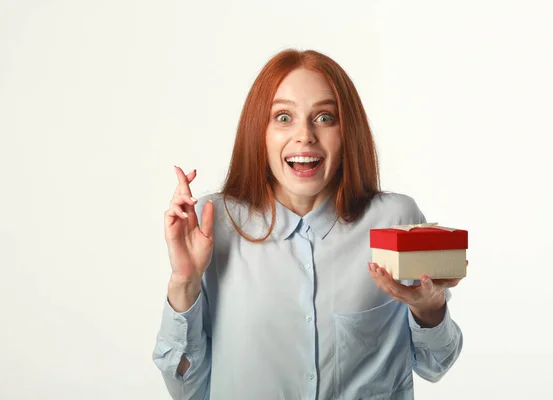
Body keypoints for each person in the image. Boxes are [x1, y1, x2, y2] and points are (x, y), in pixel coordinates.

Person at [152, 49, 466, 400]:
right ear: (260, 132)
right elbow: (185, 389)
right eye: (283, 117)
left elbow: (436, 363)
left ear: (348, 132)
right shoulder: (214, 223)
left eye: (325, 117)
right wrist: (185, 282)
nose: (305, 135)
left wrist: (429, 307)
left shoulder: (395, 220)